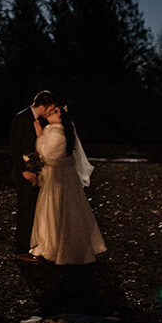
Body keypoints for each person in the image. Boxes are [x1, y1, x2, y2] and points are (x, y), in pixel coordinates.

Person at [30, 104, 106, 265]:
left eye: (55, 112)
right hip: (57, 177)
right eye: (51, 111)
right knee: (54, 211)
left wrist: (40, 136)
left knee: (60, 210)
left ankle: (62, 248)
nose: (51, 113)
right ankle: (52, 244)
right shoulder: (54, 131)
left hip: (59, 179)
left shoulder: (58, 134)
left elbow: (49, 156)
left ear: (61, 117)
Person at [8, 91, 58, 263]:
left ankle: (29, 245)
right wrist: (23, 171)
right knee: (25, 209)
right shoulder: (21, 118)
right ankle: (20, 249)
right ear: (42, 106)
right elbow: (15, 147)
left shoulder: (40, 120)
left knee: (32, 209)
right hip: (24, 173)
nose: (49, 112)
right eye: (49, 109)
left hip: (35, 170)